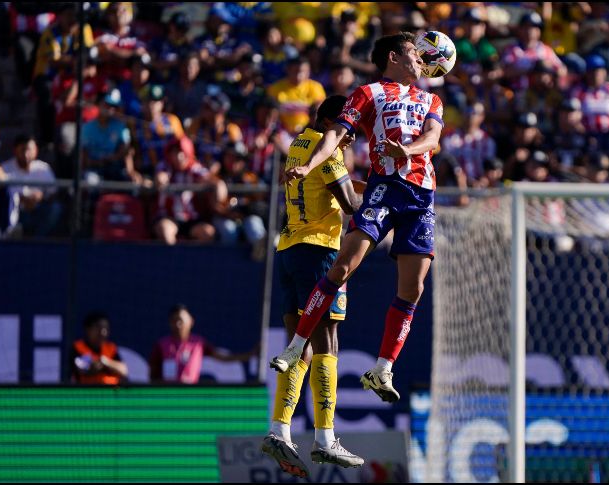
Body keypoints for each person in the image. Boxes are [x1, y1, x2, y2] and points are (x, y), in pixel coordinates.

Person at [271, 32, 444, 404]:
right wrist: (309, 166)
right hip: (383, 189)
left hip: (420, 197)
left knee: (413, 289)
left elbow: (433, 140)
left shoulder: (432, 99)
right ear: (394, 57)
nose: (421, 60)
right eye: (415, 53)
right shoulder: (368, 93)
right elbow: (335, 133)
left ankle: (382, 368)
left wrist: (407, 150)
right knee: (343, 266)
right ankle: (296, 345)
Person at [261, 95, 365, 477]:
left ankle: (280, 429)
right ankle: (325, 437)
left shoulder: (299, 145)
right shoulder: (330, 153)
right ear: (328, 121)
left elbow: (329, 185)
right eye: (347, 125)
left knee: (297, 346)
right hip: (319, 252)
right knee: (327, 340)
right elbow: (351, 204)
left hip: (289, 248)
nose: (351, 134)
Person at [148, 304, 255, 383]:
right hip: (167, 398)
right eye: (174, 320)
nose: (178, 324)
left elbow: (223, 357)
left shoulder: (198, 343)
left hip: (190, 397)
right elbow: (152, 375)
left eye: (181, 320)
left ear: (191, 321)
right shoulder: (161, 345)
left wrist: (250, 355)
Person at [70, 312, 128, 385]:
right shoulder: (78, 347)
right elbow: (80, 369)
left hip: (110, 393)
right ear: (88, 329)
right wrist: (93, 367)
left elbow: (123, 370)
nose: (103, 333)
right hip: (86, 393)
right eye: (98, 328)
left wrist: (105, 362)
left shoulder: (110, 348)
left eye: (106, 329)